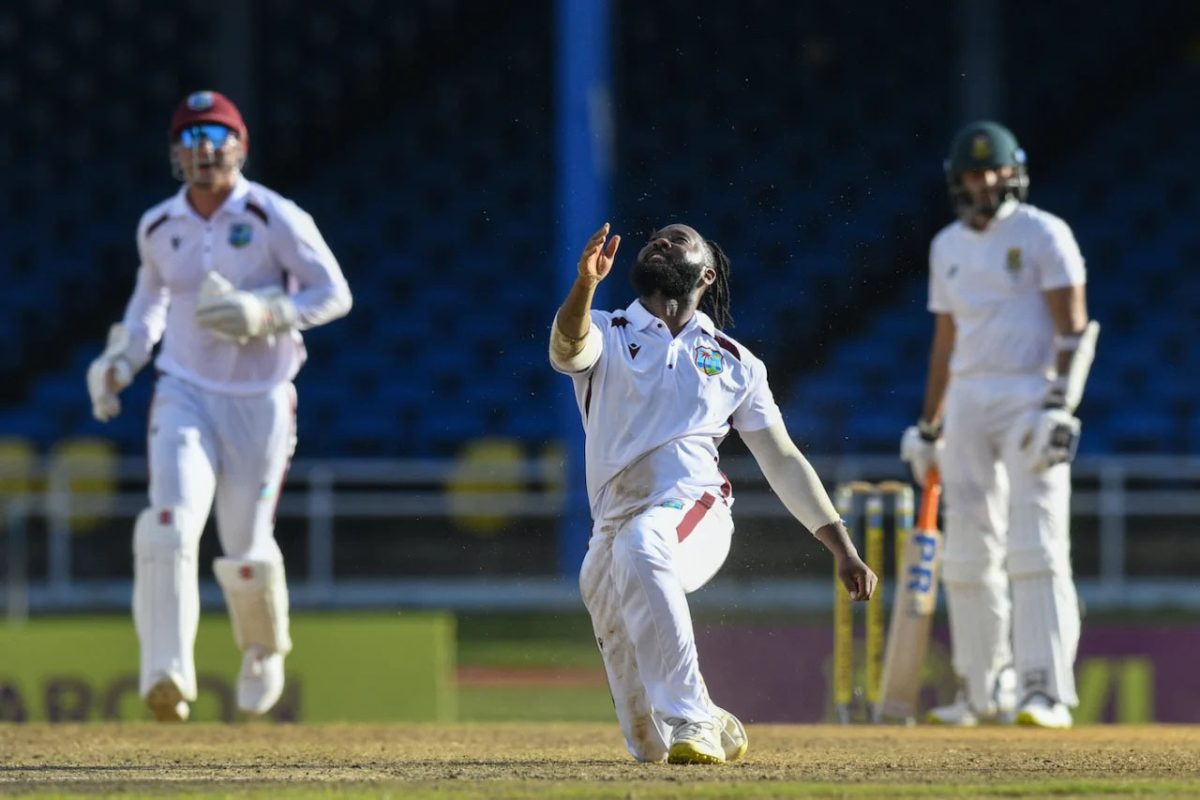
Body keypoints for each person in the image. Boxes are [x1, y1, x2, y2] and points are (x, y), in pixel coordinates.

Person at [550, 222, 877, 764]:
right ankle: (701, 715)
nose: (661, 240)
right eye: (656, 237)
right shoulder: (605, 329)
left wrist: (841, 547)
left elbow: (782, 458)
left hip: (694, 510)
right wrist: (584, 285)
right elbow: (567, 351)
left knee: (644, 544)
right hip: (611, 526)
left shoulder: (734, 361)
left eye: (678, 239)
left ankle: (693, 715)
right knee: (648, 748)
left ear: (706, 273)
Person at [86, 90, 352, 721]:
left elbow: (334, 292)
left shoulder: (272, 215)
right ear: (176, 152)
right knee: (170, 522)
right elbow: (149, 305)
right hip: (184, 393)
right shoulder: (159, 226)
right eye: (192, 138)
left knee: (244, 543)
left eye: (217, 137)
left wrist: (267, 313)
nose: (205, 150)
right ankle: (166, 672)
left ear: (240, 146)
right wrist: (120, 360)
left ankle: (262, 647)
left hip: (260, 401)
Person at [901, 121, 1097, 729]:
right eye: (971, 173)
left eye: (992, 171)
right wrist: (928, 425)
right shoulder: (946, 246)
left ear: (1014, 173)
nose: (982, 181)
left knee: (1035, 541)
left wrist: (1062, 406)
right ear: (956, 180)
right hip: (967, 398)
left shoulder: (1044, 233)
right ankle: (982, 689)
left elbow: (1074, 329)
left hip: (1030, 392)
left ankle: (1045, 691)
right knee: (966, 548)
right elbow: (945, 341)